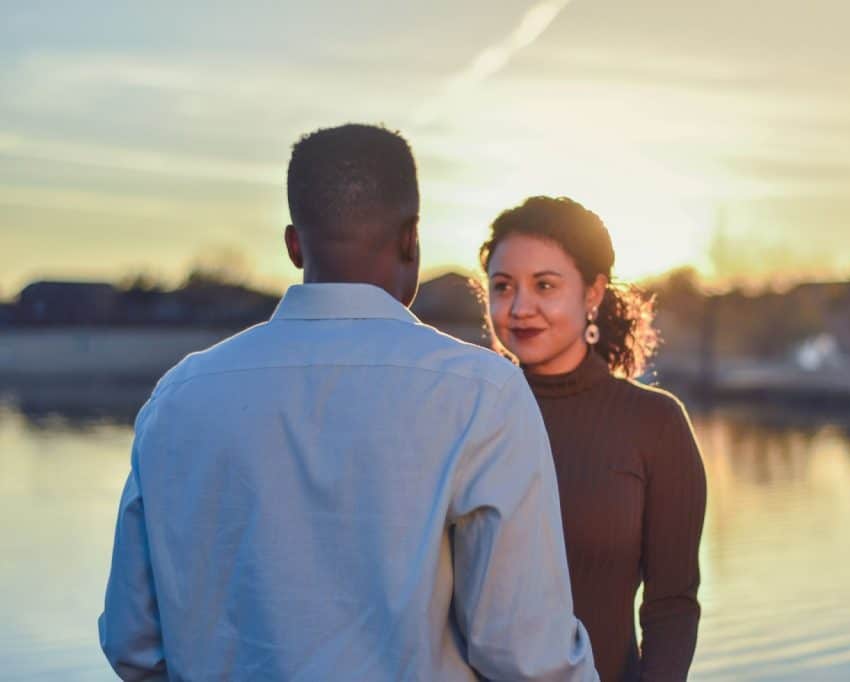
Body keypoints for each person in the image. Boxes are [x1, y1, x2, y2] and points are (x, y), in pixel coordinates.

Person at [99, 126, 597, 681]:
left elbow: (133, 643)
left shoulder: (178, 400)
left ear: (293, 245)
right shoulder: (483, 394)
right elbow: (527, 656)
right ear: (411, 238)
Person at [480, 196, 708, 681]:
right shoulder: (469, 416)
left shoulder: (656, 424)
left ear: (592, 293)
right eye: (502, 287)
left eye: (544, 285)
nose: (520, 308)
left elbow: (671, 607)